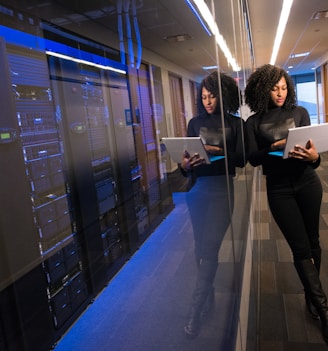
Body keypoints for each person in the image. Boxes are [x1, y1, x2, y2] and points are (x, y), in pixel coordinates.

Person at [244, 64, 328, 343]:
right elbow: (253, 158)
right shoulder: (253, 122)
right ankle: (324, 310)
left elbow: (313, 157)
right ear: (262, 89)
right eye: (274, 88)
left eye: (283, 88)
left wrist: (314, 156)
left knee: (314, 241)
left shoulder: (300, 113)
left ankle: (311, 297)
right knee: (300, 247)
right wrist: (275, 146)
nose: (280, 93)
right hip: (279, 189)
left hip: (307, 182)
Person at [179, 71, 246, 338]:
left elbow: (241, 160)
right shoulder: (194, 123)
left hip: (222, 192)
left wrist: (216, 151)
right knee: (200, 248)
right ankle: (208, 296)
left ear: (223, 95)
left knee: (209, 247)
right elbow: (186, 165)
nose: (208, 101)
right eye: (204, 97)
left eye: (212, 96)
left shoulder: (235, 123)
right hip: (197, 191)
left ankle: (195, 309)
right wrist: (184, 166)